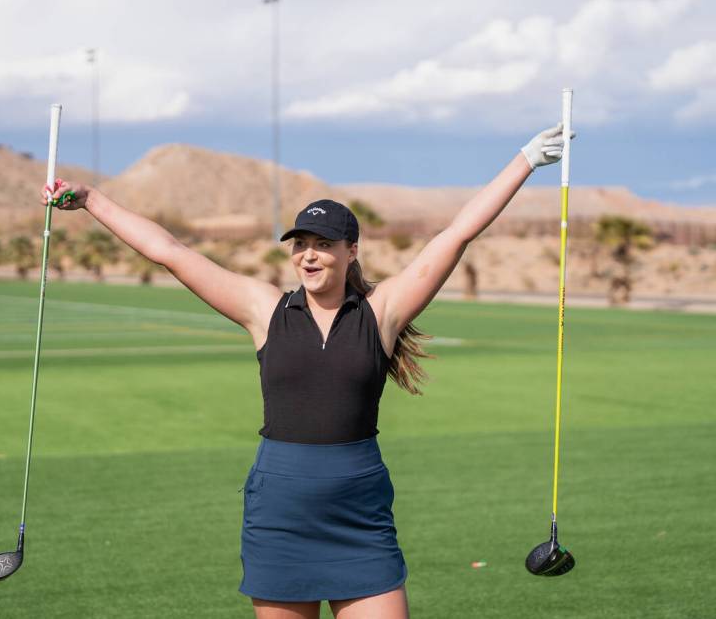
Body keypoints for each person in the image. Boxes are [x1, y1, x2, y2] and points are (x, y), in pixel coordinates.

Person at [45, 123, 571, 619]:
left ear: (351, 251)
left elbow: (456, 235)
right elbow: (170, 252)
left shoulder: (380, 313)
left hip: (358, 515)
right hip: (280, 513)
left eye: (323, 245)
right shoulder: (264, 311)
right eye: (301, 245)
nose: (310, 256)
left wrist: (524, 161)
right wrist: (92, 199)